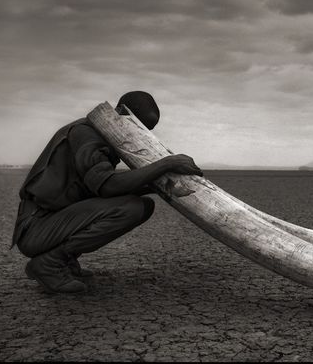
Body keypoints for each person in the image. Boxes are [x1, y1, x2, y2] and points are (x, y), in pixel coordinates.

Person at [11, 91, 203, 294]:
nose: (141, 135)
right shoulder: (86, 134)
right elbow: (107, 186)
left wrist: (159, 186)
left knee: (143, 204)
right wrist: (167, 163)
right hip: (37, 228)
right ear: (121, 113)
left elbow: (98, 189)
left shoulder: (94, 132)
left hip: (49, 224)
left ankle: (63, 260)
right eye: (139, 127)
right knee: (132, 208)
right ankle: (50, 263)